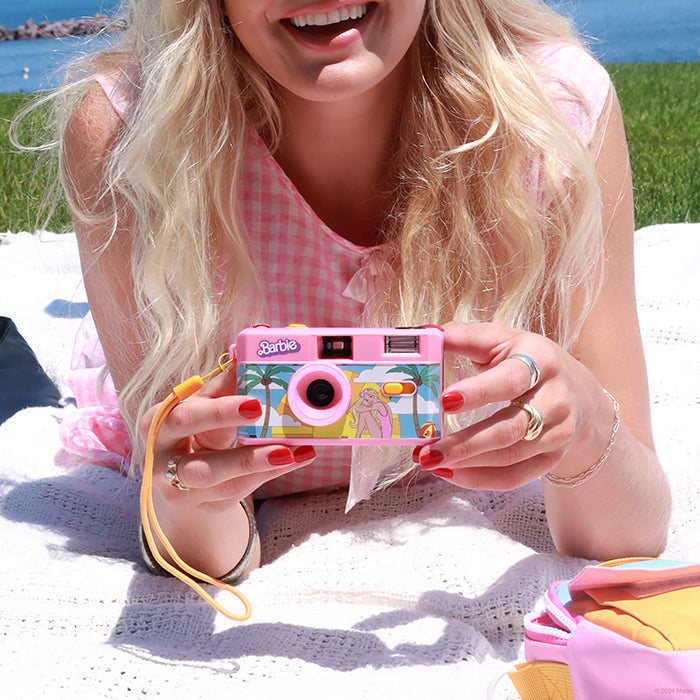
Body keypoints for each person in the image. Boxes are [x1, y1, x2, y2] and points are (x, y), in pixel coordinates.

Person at [55, 0, 671, 584]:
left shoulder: (552, 118)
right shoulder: (130, 141)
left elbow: (630, 531)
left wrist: (585, 421)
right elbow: (197, 549)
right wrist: (191, 492)